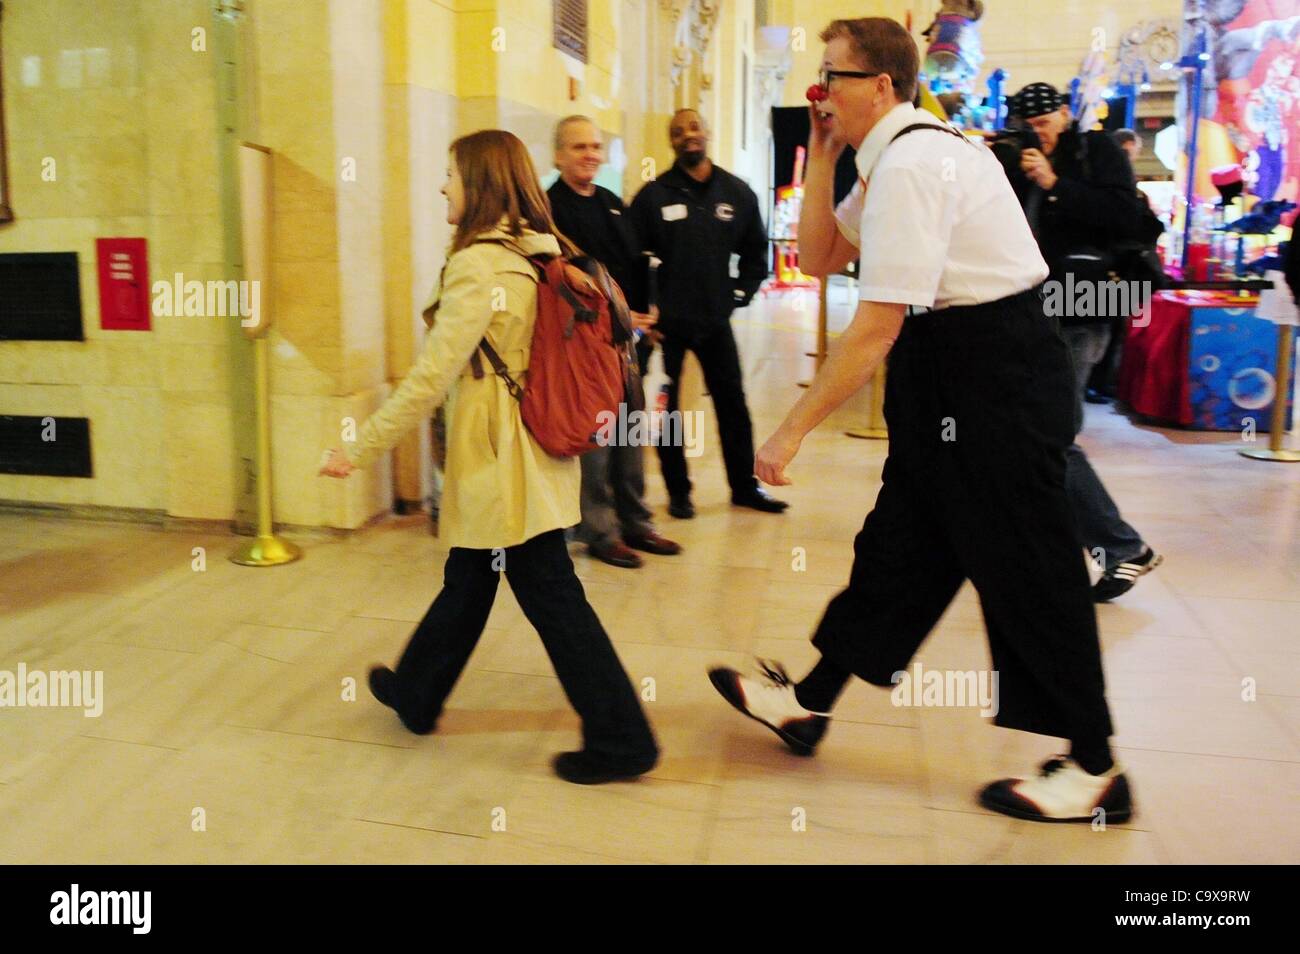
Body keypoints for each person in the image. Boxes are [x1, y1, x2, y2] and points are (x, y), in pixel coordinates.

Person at [708, 18, 1134, 824]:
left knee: (1030, 570)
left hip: (993, 377)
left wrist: (789, 430)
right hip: (954, 376)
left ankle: (1096, 765)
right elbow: (824, 256)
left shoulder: (916, 163)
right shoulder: (894, 156)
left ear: (880, 84)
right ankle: (808, 701)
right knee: (902, 550)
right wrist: (824, 152)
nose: (819, 89)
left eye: (832, 75)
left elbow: (876, 325)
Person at [319, 129, 658, 785]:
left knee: (551, 595)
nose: (442, 186)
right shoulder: (540, 246)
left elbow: (429, 378)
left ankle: (623, 739)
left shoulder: (479, 264)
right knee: (470, 578)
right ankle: (418, 693)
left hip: (503, 460)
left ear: (478, 183)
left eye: (449, 174)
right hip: (532, 451)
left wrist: (357, 448)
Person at [1006, 83, 1162, 602]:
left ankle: (1123, 549)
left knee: (1050, 436)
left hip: (1082, 307)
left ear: (1066, 114)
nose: (1041, 131)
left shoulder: (1094, 152)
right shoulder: (1017, 157)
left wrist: (1056, 183)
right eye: (1031, 124)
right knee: (1032, 434)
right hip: (1030, 311)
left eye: (1047, 120)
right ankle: (1052, 549)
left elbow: (1122, 215)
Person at [628, 109, 787, 519]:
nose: (688, 136)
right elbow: (633, 261)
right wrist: (646, 313)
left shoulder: (736, 193)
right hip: (666, 330)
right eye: (679, 132)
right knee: (666, 412)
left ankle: (744, 487)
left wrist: (737, 294)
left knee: (733, 404)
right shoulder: (654, 195)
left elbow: (756, 254)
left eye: (694, 127)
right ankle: (679, 493)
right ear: (672, 142)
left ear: (708, 132)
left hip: (716, 323)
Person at [546, 115, 682, 569]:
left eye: (595, 147)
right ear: (558, 155)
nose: (589, 155)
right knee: (598, 440)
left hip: (626, 343)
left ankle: (637, 522)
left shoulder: (611, 203)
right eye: (579, 147)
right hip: (584, 347)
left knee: (630, 433)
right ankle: (599, 530)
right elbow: (560, 282)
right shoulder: (549, 210)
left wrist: (648, 312)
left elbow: (633, 264)